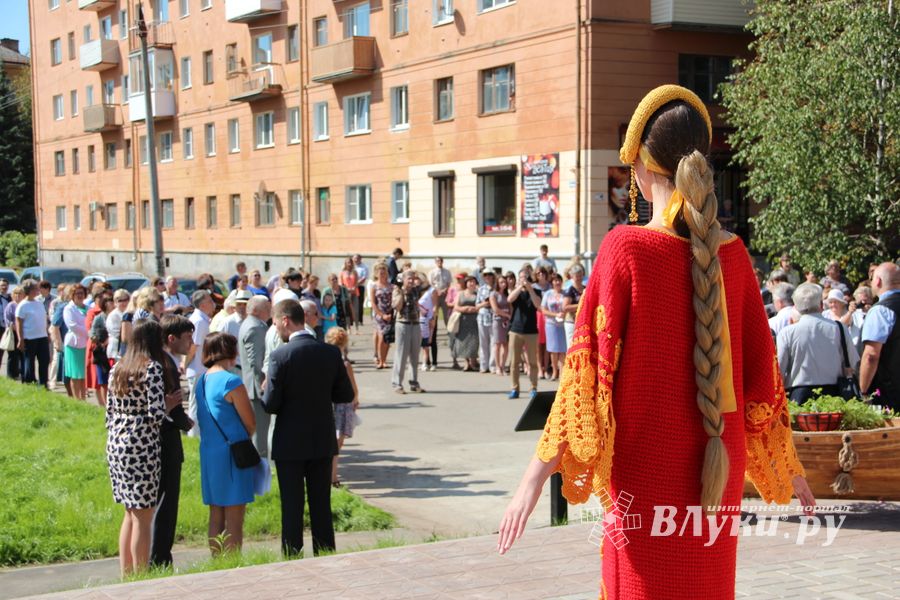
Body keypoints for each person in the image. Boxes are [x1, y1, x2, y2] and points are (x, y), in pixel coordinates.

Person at [499, 86, 815, 599]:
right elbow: (763, 378)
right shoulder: (734, 256)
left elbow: (584, 380)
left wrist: (531, 481)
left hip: (647, 468)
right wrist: (788, 464)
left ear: (641, 171)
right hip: (720, 468)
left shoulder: (626, 248)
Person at [263, 299, 355, 556]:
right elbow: (344, 394)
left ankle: (292, 556)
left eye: (275, 322)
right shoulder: (330, 352)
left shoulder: (280, 355)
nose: (275, 328)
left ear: (285, 321)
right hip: (321, 439)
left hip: (290, 442)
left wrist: (267, 392)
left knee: (291, 506)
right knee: (321, 504)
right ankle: (325, 553)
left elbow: (270, 404)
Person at [106, 319, 181, 576]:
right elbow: (156, 414)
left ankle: (126, 574)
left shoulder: (117, 368)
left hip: (116, 442)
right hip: (143, 444)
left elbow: (108, 413)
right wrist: (169, 404)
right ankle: (141, 576)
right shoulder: (152, 369)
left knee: (129, 512)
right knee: (144, 515)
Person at [196, 332, 256, 555]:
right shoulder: (231, 381)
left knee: (216, 513)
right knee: (234, 516)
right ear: (230, 351)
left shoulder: (201, 381)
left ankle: (217, 559)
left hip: (210, 452)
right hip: (233, 452)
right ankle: (232, 562)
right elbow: (250, 423)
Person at [152, 314, 195, 568]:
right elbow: (173, 404)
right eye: (187, 337)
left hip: (162, 438)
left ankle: (157, 555)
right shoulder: (165, 362)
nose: (191, 342)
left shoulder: (163, 360)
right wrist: (188, 423)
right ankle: (159, 558)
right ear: (171, 338)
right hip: (166, 440)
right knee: (166, 503)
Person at [777, 283, 858, 403]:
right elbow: (852, 362)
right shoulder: (839, 328)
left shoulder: (787, 332)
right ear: (821, 304)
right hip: (835, 394)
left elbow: (779, 371)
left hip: (798, 395)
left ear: (796, 306)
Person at [859, 262, 900, 411]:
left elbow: (871, 355)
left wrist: (863, 391)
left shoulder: (881, 311)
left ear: (878, 281)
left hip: (889, 394)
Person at [324, 327, 359, 487]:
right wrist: (356, 400)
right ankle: (333, 477)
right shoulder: (345, 364)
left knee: (328, 443)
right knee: (337, 444)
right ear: (344, 344)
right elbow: (353, 389)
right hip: (343, 406)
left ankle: (329, 475)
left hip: (327, 404)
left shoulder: (323, 361)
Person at [239, 296, 272, 458]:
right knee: (261, 432)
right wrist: (266, 381)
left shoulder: (250, 324)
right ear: (256, 311)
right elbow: (257, 362)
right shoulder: (256, 327)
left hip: (253, 386)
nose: (270, 311)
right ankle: (262, 466)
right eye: (267, 308)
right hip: (258, 388)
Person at [507, 269, 542, 399]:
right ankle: (514, 389)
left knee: (532, 362)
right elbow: (509, 299)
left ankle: (533, 388)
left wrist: (530, 289)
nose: (524, 279)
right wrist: (520, 287)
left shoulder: (536, 291)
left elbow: (538, 304)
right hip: (516, 330)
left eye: (526, 277)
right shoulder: (515, 293)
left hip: (531, 332)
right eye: (521, 277)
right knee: (514, 362)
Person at [185, 290, 216, 438]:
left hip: (200, 367)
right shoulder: (198, 320)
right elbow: (193, 346)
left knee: (199, 402)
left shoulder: (202, 319)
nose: (213, 303)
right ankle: (193, 433)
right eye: (210, 301)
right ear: (203, 304)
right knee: (195, 403)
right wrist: (184, 365)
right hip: (197, 368)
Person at [391, 271, 426, 393]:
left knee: (415, 356)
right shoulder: (397, 291)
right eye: (409, 279)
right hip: (403, 324)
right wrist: (402, 291)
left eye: (412, 279)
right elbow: (397, 307)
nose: (411, 281)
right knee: (401, 355)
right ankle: (397, 384)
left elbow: (426, 282)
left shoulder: (416, 290)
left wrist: (417, 275)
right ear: (403, 279)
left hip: (415, 324)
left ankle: (414, 383)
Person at [16, 279, 51, 386]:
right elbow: (19, 323)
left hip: (42, 337)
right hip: (29, 338)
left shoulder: (39, 303)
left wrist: (47, 334)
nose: (38, 290)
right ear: (30, 290)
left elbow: (43, 319)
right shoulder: (22, 305)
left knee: (44, 361)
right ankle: (29, 383)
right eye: (36, 288)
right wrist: (20, 339)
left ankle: (43, 384)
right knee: (29, 362)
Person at [63, 284, 89, 400]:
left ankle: (83, 399)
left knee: (83, 374)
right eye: (77, 293)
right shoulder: (69, 308)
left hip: (86, 345)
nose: (79, 295)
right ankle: (76, 399)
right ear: (72, 295)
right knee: (75, 375)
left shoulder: (88, 308)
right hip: (73, 345)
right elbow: (73, 326)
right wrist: (89, 333)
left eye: (81, 293)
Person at [540, 273, 567, 380]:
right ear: (552, 282)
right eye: (555, 281)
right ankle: (555, 371)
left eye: (559, 280)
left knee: (562, 350)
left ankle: (562, 372)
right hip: (551, 324)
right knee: (553, 350)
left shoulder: (565, 293)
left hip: (563, 325)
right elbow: (543, 309)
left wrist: (563, 314)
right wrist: (555, 314)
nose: (557, 283)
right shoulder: (548, 294)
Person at [90, 294, 114, 407]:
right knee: (104, 381)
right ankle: (106, 405)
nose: (111, 303)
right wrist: (102, 340)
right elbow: (92, 334)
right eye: (109, 301)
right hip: (102, 354)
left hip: (113, 352)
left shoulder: (117, 316)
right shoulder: (99, 317)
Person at [453, 276, 480, 372]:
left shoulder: (478, 294)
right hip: (463, 320)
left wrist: (474, 309)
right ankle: (466, 363)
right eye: (469, 282)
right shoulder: (461, 294)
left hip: (475, 320)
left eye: (473, 282)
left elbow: (481, 305)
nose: (471, 283)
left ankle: (473, 362)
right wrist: (464, 309)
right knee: (463, 341)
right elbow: (456, 306)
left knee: (474, 341)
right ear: (466, 283)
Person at [370, 263, 394, 369]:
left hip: (390, 313)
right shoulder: (374, 286)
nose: (382, 274)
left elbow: (396, 300)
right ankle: (380, 360)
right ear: (377, 274)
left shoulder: (392, 286)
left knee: (388, 338)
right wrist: (382, 315)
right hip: (379, 315)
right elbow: (373, 303)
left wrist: (390, 314)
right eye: (380, 273)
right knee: (381, 336)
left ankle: (385, 360)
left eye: (384, 272)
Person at [490, 273, 512, 377]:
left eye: (505, 282)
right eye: (501, 282)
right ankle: (497, 367)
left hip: (506, 321)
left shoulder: (507, 294)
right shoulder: (493, 294)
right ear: (497, 283)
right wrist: (506, 314)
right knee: (498, 344)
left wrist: (509, 316)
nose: (503, 284)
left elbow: (510, 306)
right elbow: (495, 309)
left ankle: (503, 366)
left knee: (506, 344)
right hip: (498, 321)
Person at [476, 270, 496, 374]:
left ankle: (492, 366)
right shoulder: (481, 289)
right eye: (485, 275)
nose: (487, 277)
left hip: (494, 317)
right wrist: (485, 303)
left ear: (493, 276)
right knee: (483, 342)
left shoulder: (496, 288)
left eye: (489, 275)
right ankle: (483, 365)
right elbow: (477, 305)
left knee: (493, 342)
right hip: (482, 317)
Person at [446, 273, 466, 370]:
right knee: (452, 339)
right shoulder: (452, 289)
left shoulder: (467, 290)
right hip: (454, 316)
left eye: (460, 279)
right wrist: (455, 304)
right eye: (457, 279)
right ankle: (454, 361)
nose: (458, 281)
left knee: (466, 338)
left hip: (465, 316)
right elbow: (448, 303)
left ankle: (468, 361)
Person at [562, 264, 585, 347]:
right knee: (571, 346)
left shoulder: (585, 289)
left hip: (583, 322)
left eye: (580, 275)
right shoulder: (570, 290)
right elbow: (565, 307)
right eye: (577, 276)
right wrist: (581, 305)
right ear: (572, 276)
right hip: (571, 322)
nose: (579, 278)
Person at [4, 286, 24, 379]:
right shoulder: (10, 305)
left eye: (19, 293)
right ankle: (11, 375)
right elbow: (7, 319)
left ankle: (23, 373)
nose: (17, 295)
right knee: (12, 355)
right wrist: (14, 326)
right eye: (15, 293)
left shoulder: (24, 305)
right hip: (13, 334)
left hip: (24, 333)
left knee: (23, 355)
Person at [418, 276, 437, 371]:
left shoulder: (431, 290)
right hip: (418, 319)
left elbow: (434, 306)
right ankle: (422, 362)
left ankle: (429, 363)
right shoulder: (416, 291)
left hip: (428, 318)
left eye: (419, 279)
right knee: (420, 343)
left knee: (428, 342)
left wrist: (432, 318)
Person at [106, 289, 130, 363]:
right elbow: (117, 334)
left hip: (128, 352)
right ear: (115, 303)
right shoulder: (113, 315)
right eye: (120, 300)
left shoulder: (129, 313)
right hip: (116, 352)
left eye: (125, 300)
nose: (123, 303)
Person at [429, 257, 453, 326]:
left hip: (445, 295)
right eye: (437, 261)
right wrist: (437, 291)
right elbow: (431, 284)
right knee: (434, 314)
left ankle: (449, 332)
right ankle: (433, 333)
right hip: (435, 295)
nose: (439, 262)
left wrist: (444, 290)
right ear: (435, 262)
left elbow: (449, 283)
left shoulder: (447, 272)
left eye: (440, 261)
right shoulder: (432, 272)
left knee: (446, 314)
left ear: (443, 262)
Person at [339, 258, 360, 332]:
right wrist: (347, 289)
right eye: (348, 262)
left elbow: (357, 282)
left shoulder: (355, 272)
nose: (349, 264)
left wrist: (354, 287)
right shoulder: (342, 272)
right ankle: (348, 328)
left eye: (350, 262)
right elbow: (341, 283)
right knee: (347, 311)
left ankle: (357, 328)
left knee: (355, 310)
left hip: (354, 292)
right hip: (346, 293)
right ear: (345, 263)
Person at [352, 254, 369, 328]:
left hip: (359, 287)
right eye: (354, 259)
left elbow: (364, 278)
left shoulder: (364, 267)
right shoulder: (350, 266)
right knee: (351, 303)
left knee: (359, 303)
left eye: (357, 259)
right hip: (350, 287)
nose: (355, 260)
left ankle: (359, 320)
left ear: (360, 259)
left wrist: (356, 284)